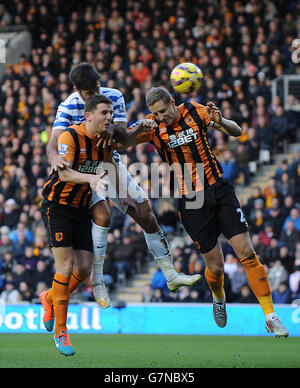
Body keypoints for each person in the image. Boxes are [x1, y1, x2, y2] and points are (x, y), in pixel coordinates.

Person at [118, 86, 289, 337]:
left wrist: (221, 121)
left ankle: (271, 316)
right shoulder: (152, 125)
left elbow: (236, 131)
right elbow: (122, 143)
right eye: (155, 112)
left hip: (219, 190)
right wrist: (138, 129)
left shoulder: (196, 111)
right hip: (191, 201)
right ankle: (219, 298)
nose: (161, 116)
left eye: (163, 110)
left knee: (247, 253)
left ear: (172, 102)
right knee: (216, 267)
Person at [48, 62, 201, 308]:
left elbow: (119, 137)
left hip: (109, 162)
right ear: (77, 90)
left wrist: (135, 128)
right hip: (83, 167)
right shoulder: (68, 105)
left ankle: (170, 274)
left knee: (146, 213)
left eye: (96, 88)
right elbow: (54, 140)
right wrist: (54, 157)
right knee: (102, 215)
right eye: (89, 94)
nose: (95, 95)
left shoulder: (113, 97)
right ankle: (97, 282)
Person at [40, 94, 117, 356]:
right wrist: (92, 179)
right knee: (65, 266)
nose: (109, 117)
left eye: (111, 113)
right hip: (57, 206)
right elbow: (64, 173)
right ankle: (61, 333)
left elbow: (125, 144)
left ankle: (49, 298)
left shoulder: (106, 142)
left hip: (81, 208)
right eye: (104, 113)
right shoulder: (70, 137)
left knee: (83, 270)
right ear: (89, 116)